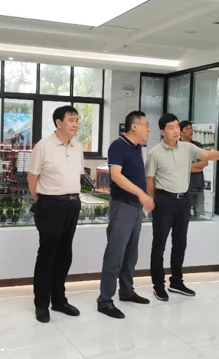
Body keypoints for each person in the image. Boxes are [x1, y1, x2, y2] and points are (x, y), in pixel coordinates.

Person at [147, 114, 219, 301]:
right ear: (162, 131)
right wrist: (153, 201)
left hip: (183, 200)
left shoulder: (187, 148)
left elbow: (206, 155)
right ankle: (158, 285)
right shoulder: (154, 153)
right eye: (171, 128)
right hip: (164, 201)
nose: (176, 131)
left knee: (180, 243)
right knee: (159, 246)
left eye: (177, 127)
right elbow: (149, 180)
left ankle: (176, 282)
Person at [28, 106, 84, 323]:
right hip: (50, 204)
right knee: (47, 254)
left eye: (77, 120)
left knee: (64, 254)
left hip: (72, 204)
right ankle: (41, 304)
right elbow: (32, 179)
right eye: (71, 120)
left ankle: (59, 300)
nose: (75, 124)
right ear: (58, 123)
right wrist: (41, 201)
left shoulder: (78, 147)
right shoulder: (43, 146)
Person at [97, 111, 154, 319]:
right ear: (134, 126)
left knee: (131, 254)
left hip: (136, 208)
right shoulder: (118, 146)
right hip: (122, 207)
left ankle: (127, 291)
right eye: (146, 125)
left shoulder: (137, 148)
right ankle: (105, 300)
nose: (149, 129)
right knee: (115, 254)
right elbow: (116, 176)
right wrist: (141, 194)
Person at [179, 121, 208, 218]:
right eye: (187, 129)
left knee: (199, 215)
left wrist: (186, 166)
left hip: (197, 184)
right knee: (184, 215)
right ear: (181, 132)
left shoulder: (198, 145)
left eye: (191, 128)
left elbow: (204, 163)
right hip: (182, 187)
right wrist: (197, 166)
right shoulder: (176, 146)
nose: (190, 131)